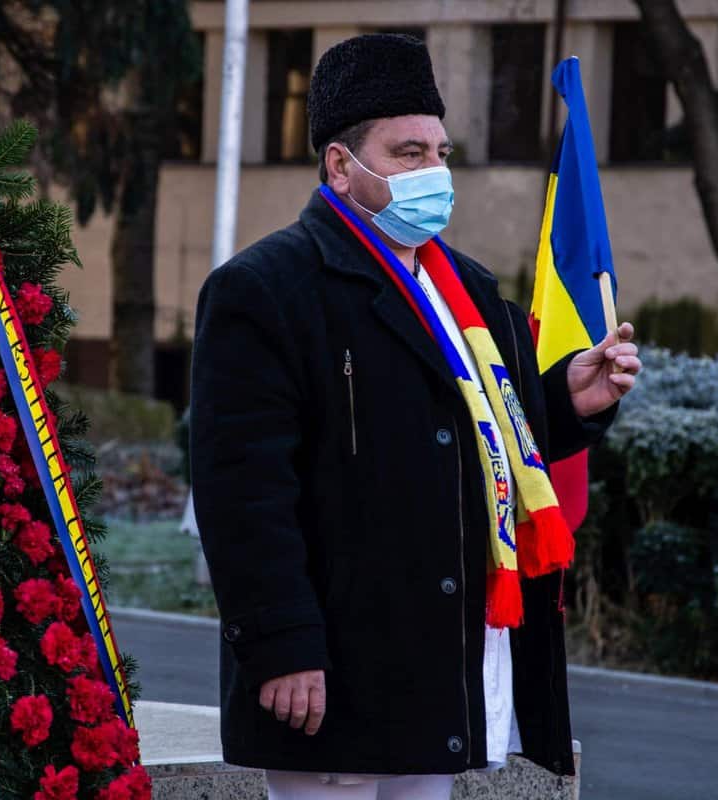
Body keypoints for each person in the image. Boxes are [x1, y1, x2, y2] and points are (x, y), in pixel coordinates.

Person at [189, 33, 641, 800]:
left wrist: (568, 401)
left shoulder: (466, 289)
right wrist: (282, 642)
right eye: (408, 153)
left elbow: (490, 442)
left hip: (440, 669)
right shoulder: (265, 290)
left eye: (440, 151)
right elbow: (242, 490)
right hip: (333, 669)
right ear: (340, 165)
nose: (434, 173)